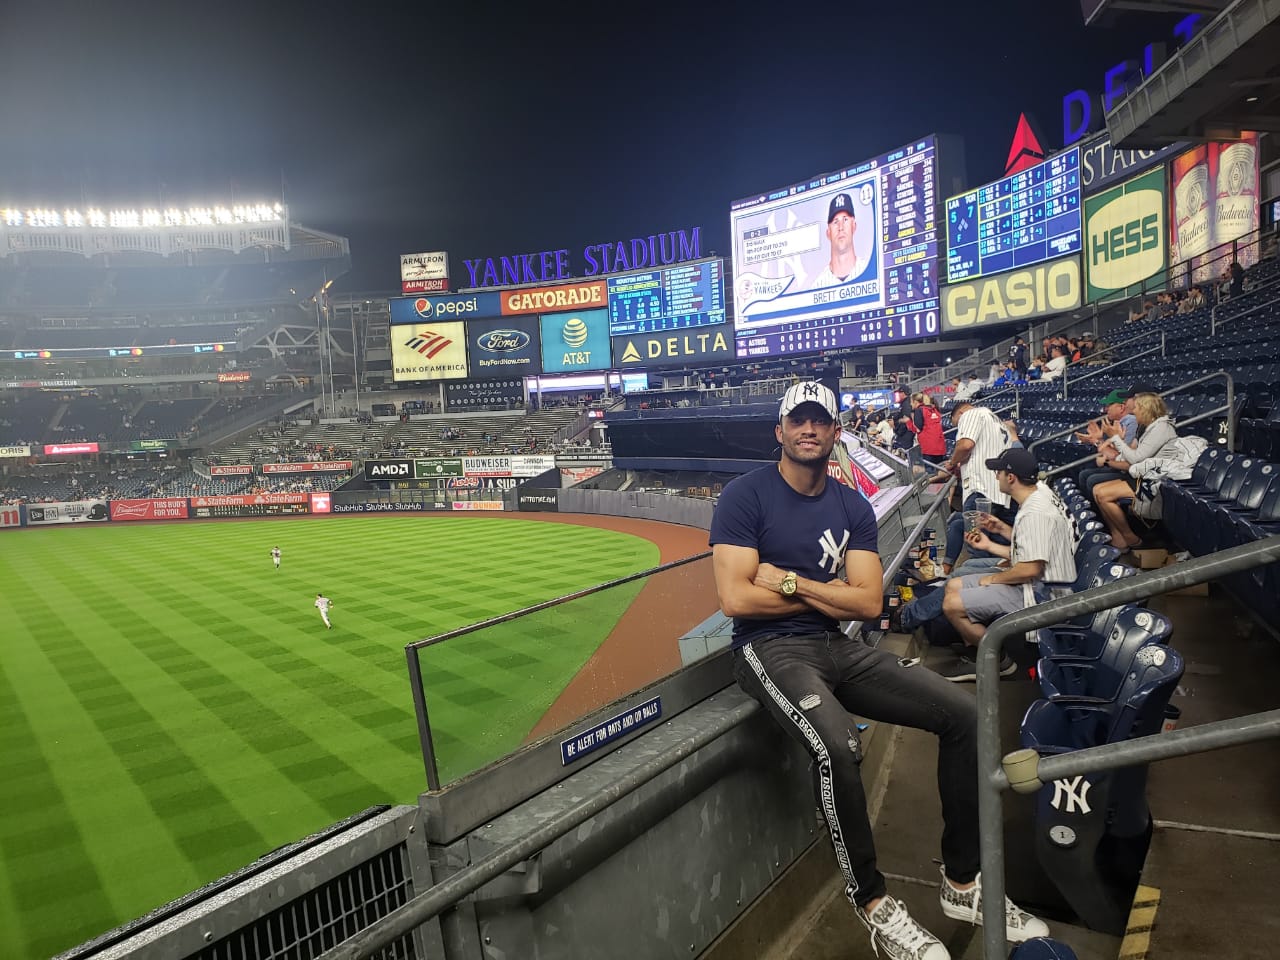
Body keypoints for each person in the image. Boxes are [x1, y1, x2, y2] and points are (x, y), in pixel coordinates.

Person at [709, 381, 1047, 959]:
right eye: (798, 421)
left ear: (836, 432)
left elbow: (867, 604)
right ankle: (874, 904)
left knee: (963, 714)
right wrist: (831, 592)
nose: (809, 430)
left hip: (833, 645)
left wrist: (791, 583)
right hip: (768, 651)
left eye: (820, 421)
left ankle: (962, 883)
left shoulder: (850, 504)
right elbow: (738, 601)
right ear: (781, 432)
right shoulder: (745, 495)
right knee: (839, 747)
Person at [937, 448, 1077, 681]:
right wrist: (995, 538)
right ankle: (976, 651)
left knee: (952, 604)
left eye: (998, 472)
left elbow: (1030, 568)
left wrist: (991, 580)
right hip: (1038, 583)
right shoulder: (1039, 493)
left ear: (1011, 477)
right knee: (953, 586)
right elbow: (1029, 550)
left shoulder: (1036, 512)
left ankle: (999, 661)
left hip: (1044, 593)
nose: (995, 477)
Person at [1092, 393, 1179, 549]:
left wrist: (1116, 439)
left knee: (1103, 495)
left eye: (1137, 408)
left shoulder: (1162, 428)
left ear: (1146, 409)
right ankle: (1119, 538)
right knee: (1097, 489)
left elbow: (1136, 459)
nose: (1134, 412)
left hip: (1156, 481)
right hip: (1143, 475)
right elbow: (1130, 454)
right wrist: (1111, 456)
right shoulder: (1149, 428)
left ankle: (1131, 539)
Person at [938, 400, 1013, 574]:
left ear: (960, 414)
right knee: (978, 538)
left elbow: (965, 445)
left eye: (957, 425)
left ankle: (977, 589)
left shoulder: (972, 414)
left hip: (981, 490)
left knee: (976, 545)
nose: (959, 428)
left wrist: (953, 462)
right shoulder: (996, 421)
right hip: (1000, 491)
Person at [1074, 390, 1138, 497]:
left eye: (1109, 405)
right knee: (1084, 473)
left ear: (1121, 407)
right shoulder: (1116, 423)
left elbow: (1122, 455)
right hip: (1117, 465)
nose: (1105, 409)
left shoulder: (1130, 422)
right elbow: (1111, 451)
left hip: (1128, 471)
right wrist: (1099, 439)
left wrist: (1096, 441)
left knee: (1090, 479)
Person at [811, 193, 865, 288]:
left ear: (854, 226)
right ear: (828, 233)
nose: (841, 227)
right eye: (835, 222)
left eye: (845, 220)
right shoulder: (818, 285)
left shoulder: (869, 271)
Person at [907, 392, 947, 466]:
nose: (910, 404)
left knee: (929, 474)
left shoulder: (919, 410)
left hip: (928, 448)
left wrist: (908, 422)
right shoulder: (934, 410)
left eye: (911, 402)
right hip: (940, 447)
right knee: (939, 471)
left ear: (915, 402)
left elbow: (918, 429)